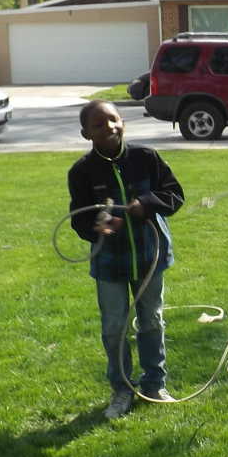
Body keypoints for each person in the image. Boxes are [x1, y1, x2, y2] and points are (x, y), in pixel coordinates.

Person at [68, 101, 185, 420]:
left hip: (149, 256)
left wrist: (146, 203)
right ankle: (121, 390)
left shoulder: (146, 158)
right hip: (110, 263)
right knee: (113, 327)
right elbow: (79, 218)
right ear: (86, 134)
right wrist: (98, 226)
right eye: (98, 124)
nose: (109, 127)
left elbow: (174, 194)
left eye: (113, 120)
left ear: (122, 122)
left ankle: (154, 384)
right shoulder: (81, 171)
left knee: (151, 320)